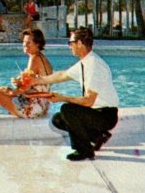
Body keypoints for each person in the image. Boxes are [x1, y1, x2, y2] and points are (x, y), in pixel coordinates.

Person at [32, 27, 119, 161]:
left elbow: (88, 101)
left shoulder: (94, 65)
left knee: (68, 109)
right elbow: (62, 75)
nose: (69, 46)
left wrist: (62, 98)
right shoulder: (85, 62)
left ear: (79, 43)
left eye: (70, 43)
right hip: (95, 112)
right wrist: (37, 80)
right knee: (58, 119)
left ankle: (84, 150)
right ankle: (97, 136)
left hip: (105, 115)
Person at [0, 28, 54, 118]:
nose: (25, 45)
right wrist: (19, 83)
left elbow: (26, 87)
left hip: (32, 108)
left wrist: (11, 92)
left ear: (37, 44)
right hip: (41, 105)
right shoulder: (41, 58)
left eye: (28, 42)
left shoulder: (35, 59)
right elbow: (33, 84)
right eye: (24, 42)